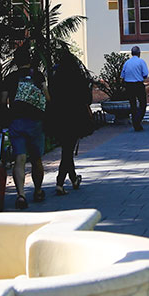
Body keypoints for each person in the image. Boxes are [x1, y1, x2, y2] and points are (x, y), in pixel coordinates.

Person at [2, 48, 49, 209]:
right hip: (35, 122)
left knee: (19, 159)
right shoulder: (38, 75)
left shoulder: (10, 78)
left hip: (16, 122)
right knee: (36, 159)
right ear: (30, 59)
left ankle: (21, 195)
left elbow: (3, 102)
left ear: (15, 61)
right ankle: (37, 190)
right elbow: (47, 96)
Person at [46, 49, 93, 195]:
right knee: (68, 150)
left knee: (67, 148)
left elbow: (50, 96)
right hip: (75, 116)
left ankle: (73, 178)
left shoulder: (55, 77)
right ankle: (60, 182)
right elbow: (88, 98)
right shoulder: (78, 76)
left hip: (59, 116)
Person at [120, 45, 149, 131]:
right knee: (143, 104)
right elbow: (145, 74)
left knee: (132, 104)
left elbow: (122, 75)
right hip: (138, 84)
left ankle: (135, 122)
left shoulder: (127, 63)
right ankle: (137, 121)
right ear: (139, 53)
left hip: (129, 85)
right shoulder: (141, 62)